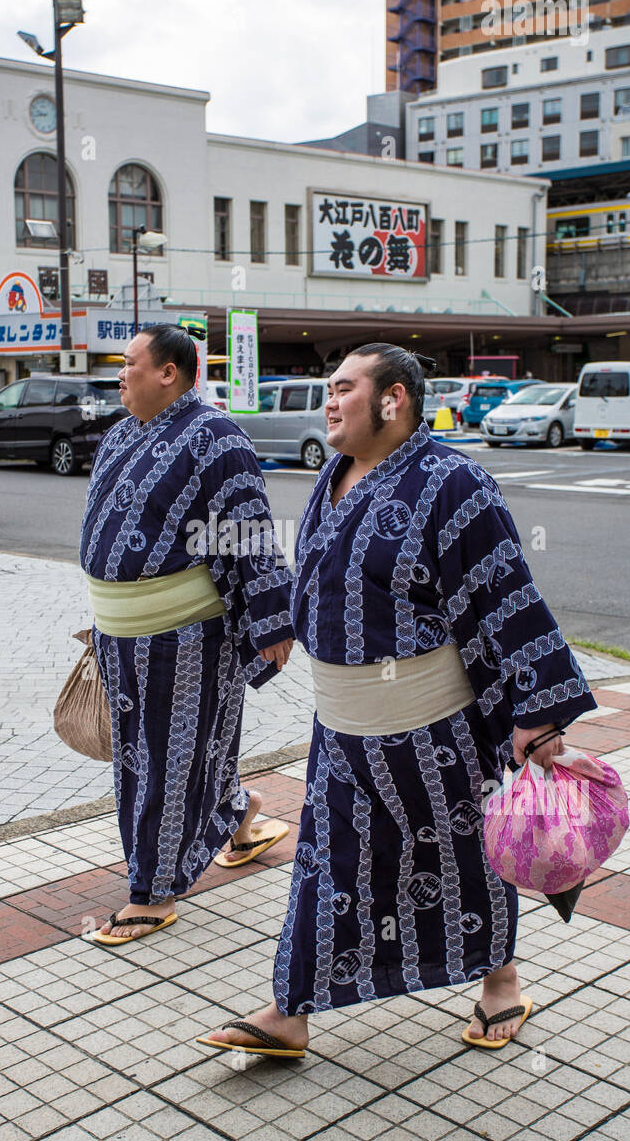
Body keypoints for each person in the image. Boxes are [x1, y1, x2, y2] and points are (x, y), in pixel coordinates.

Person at [198, 342, 597, 1058]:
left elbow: (505, 594)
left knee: (468, 858)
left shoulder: (454, 483)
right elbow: (320, 579)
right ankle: (290, 1010)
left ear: (394, 400)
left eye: (343, 387)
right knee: (328, 866)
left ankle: (500, 981)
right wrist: (274, 627)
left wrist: (537, 712)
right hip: (341, 729)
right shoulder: (334, 476)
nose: (328, 400)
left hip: (431, 728)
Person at [80, 325, 294, 944]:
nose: (120, 375)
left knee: (168, 762)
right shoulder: (121, 434)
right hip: (121, 633)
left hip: (185, 636)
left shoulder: (215, 435)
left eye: (129, 364)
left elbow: (249, 529)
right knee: (145, 758)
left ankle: (154, 893)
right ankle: (239, 814)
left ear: (169, 372)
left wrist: (270, 620)